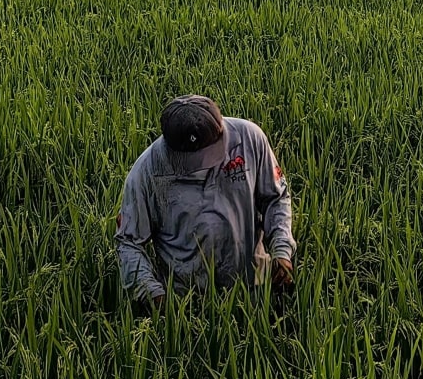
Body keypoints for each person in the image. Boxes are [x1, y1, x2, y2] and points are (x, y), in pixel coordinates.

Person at [117, 95, 296, 305]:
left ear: (220, 131)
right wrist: (153, 293)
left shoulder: (249, 140)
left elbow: (276, 198)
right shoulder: (147, 171)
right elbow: (128, 240)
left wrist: (282, 251)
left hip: (254, 288)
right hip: (187, 301)